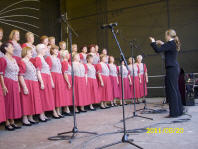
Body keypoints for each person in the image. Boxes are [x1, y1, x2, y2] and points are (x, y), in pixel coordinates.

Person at [149, 29, 184, 117]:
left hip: (172, 69)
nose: (165, 37)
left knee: (172, 90)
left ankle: (174, 113)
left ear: (168, 35)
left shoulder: (170, 44)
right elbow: (166, 47)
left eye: (166, 35)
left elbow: (158, 50)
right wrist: (163, 43)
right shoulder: (172, 43)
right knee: (175, 89)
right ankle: (178, 111)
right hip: (174, 68)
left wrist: (153, 42)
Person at [0, 42, 22, 131]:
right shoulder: (2, 59)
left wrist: (18, 84)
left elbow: (17, 72)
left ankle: (12, 121)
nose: (13, 48)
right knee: (8, 102)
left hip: (15, 82)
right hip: (7, 82)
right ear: (6, 48)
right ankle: (7, 122)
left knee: (13, 102)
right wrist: (3, 86)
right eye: (11, 47)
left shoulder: (14, 59)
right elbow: (1, 73)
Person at [18, 47, 43, 126]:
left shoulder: (30, 62)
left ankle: (30, 117)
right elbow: (21, 76)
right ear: (25, 53)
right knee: (26, 100)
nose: (32, 53)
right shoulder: (22, 62)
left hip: (33, 82)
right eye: (30, 52)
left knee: (32, 100)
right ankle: (25, 118)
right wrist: (24, 87)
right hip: (27, 82)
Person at [34, 44, 58, 121]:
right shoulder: (38, 58)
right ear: (40, 50)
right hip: (43, 78)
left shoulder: (42, 58)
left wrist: (51, 81)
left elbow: (48, 71)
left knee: (45, 96)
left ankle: (43, 113)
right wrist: (41, 82)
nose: (46, 50)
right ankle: (41, 114)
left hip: (47, 78)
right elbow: (38, 71)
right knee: (42, 96)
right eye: (44, 49)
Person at [45, 45, 65, 118]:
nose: (57, 51)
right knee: (53, 94)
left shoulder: (58, 59)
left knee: (58, 94)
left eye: (58, 49)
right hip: (53, 76)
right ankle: (53, 111)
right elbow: (48, 70)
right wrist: (51, 80)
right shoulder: (49, 58)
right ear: (52, 50)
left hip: (59, 76)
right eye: (56, 49)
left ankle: (58, 110)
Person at [60, 50, 72, 116]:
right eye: (68, 54)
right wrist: (68, 82)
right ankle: (66, 109)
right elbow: (64, 73)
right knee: (66, 94)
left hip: (69, 77)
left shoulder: (67, 62)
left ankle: (67, 108)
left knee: (68, 94)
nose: (69, 55)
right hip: (66, 79)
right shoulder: (64, 62)